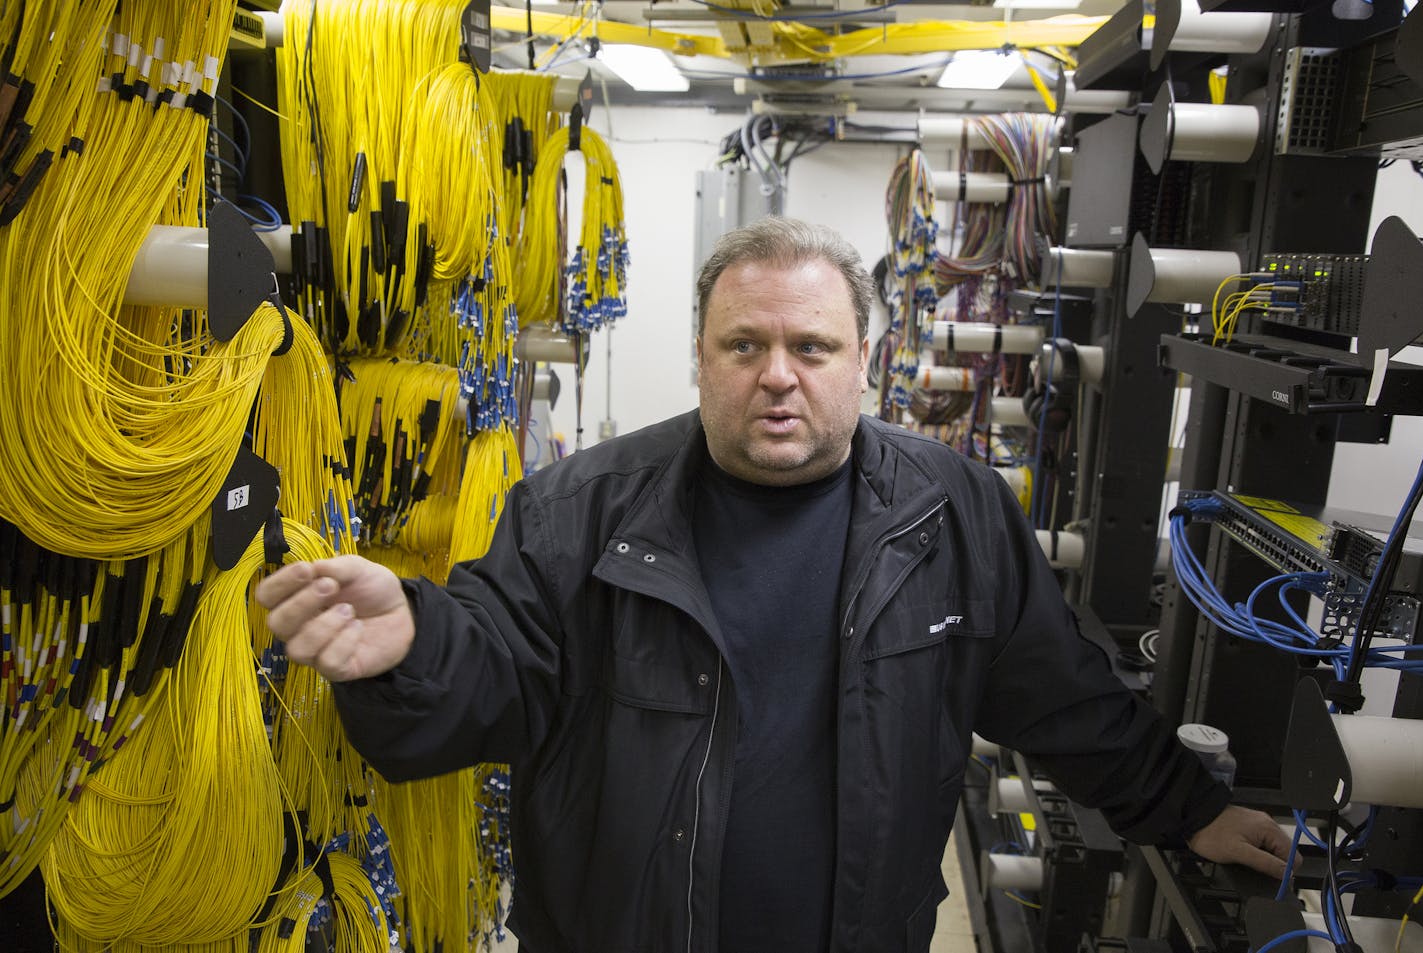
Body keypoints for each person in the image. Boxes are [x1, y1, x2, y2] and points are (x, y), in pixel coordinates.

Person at [259, 217, 1290, 953]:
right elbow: (493, 669)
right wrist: (410, 645)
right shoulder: (580, 507)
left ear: (865, 361)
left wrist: (1185, 807)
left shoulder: (950, 512)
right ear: (701, 358)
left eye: (811, 346)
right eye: (744, 345)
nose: (777, 374)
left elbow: (1055, 692)